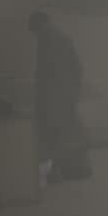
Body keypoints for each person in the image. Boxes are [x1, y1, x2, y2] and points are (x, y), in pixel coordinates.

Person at [28, 11, 85, 185]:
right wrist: (74, 92)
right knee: (60, 134)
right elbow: (77, 67)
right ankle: (59, 172)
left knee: (51, 136)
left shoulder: (47, 39)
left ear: (40, 26)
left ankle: (56, 173)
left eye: (35, 31)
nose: (36, 36)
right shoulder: (62, 37)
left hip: (52, 98)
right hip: (63, 96)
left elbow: (44, 74)